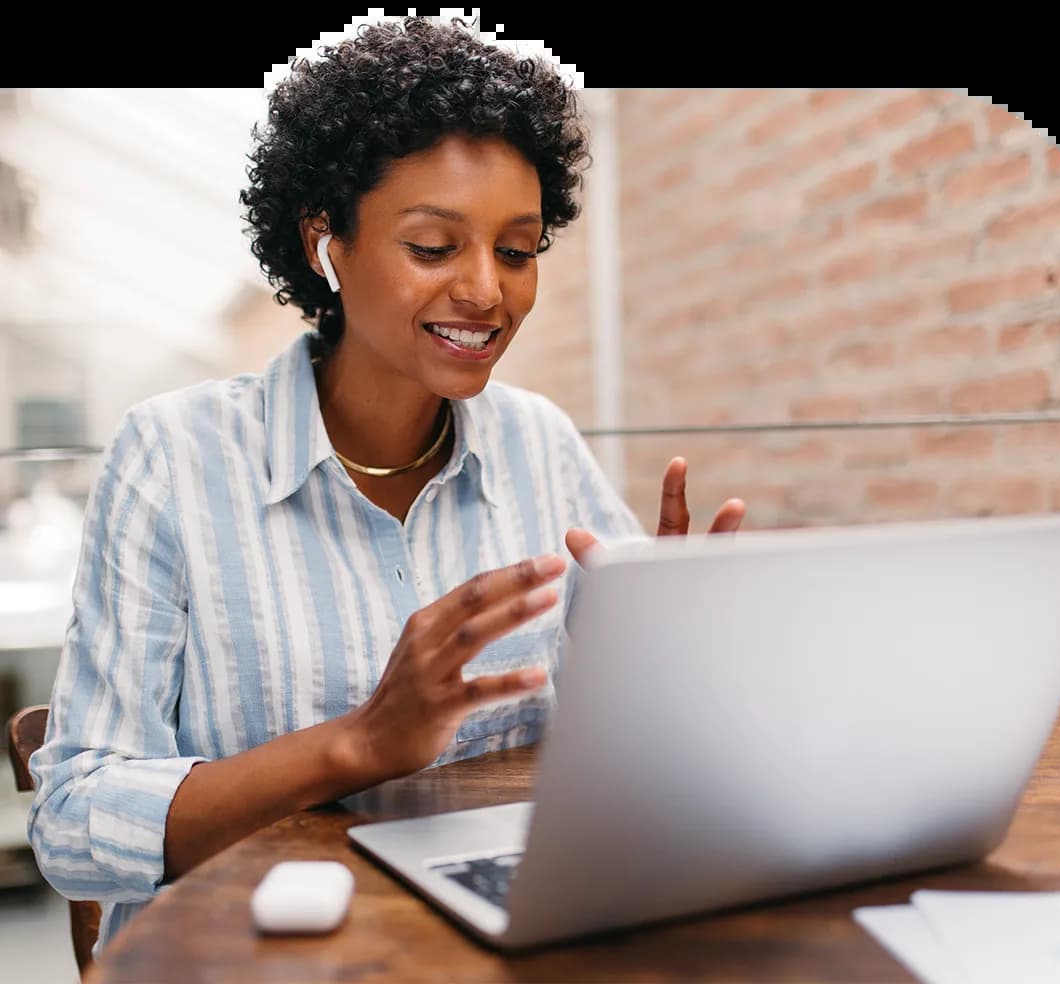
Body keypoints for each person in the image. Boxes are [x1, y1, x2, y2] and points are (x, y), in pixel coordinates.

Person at [26, 16, 746, 955]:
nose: (488, 291)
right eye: (435, 246)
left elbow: (618, 749)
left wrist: (670, 653)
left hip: (501, 942)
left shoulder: (541, 445)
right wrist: (356, 744)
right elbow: (74, 824)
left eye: (518, 251)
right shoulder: (175, 456)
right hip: (258, 959)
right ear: (327, 244)